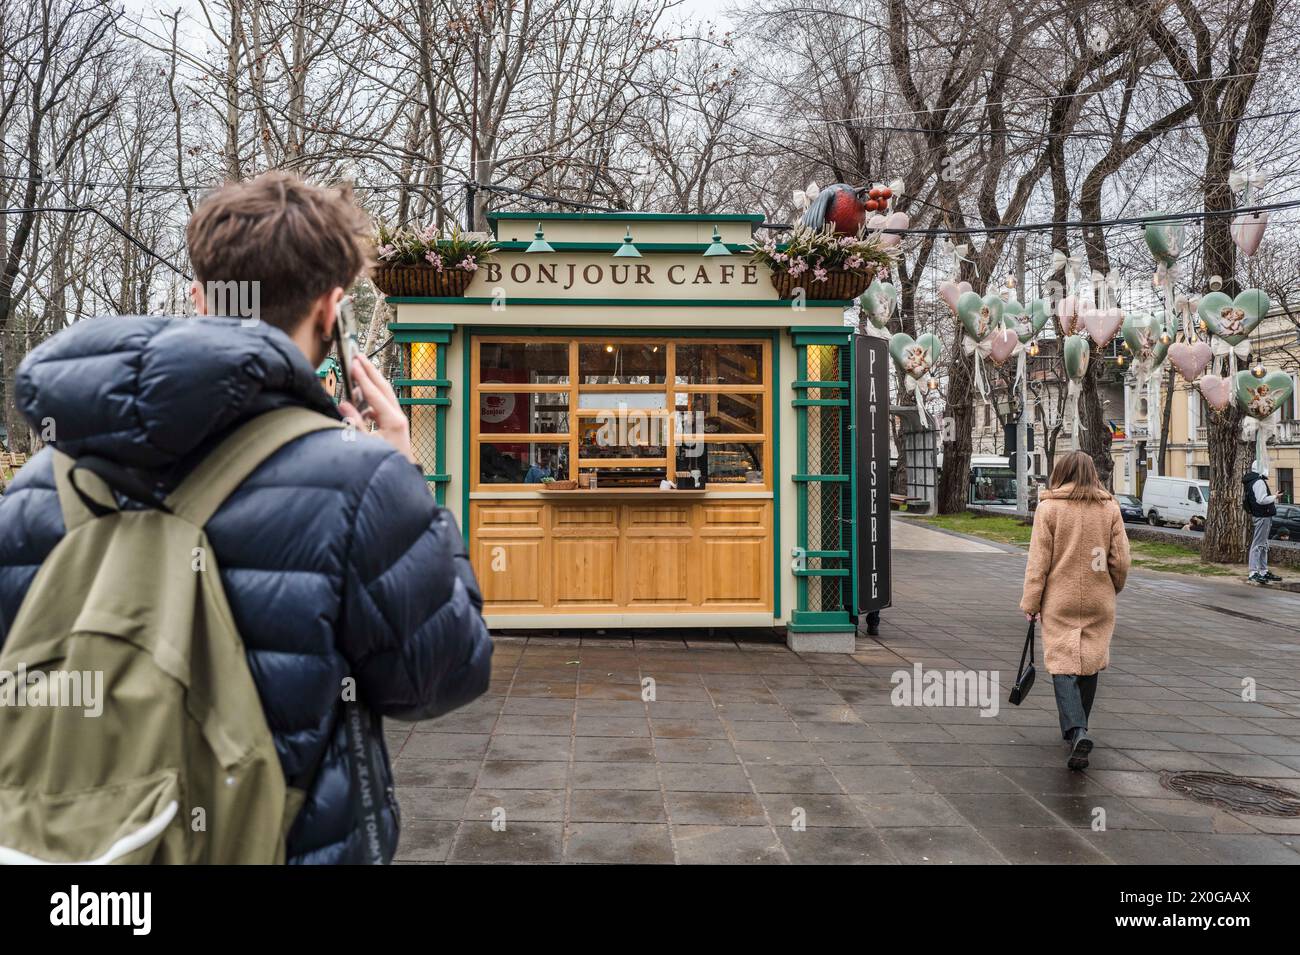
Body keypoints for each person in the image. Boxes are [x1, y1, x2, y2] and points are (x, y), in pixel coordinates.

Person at [0, 171, 493, 863]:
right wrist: (405, 475)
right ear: (332, 311)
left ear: (202, 299)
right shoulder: (362, 481)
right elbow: (444, 672)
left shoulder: (34, 484)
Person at [1019, 451, 1130, 771]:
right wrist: (1113, 587)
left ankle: (1076, 729)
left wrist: (1031, 602)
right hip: (1099, 596)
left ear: (1062, 472)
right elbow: (1120, 559)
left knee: (1062, 662)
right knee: (1090, 659)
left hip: (1060, 598)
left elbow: (1038, 562)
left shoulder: (1049, 508)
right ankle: (1078, 729)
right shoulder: (1109, 507)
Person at [1243, 459, 1280, 584]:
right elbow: (1261, 499)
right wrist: (1275, 496)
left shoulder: (1252, 480)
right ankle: (1253, 572)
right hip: (1262, 516)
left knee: (1263, 545)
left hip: (1261, 515)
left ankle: (1263, 571)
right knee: (1258, 544)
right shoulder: (1258, 482)